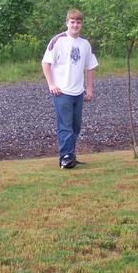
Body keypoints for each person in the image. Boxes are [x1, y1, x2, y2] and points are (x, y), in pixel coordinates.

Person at [42, 9, 98, 169]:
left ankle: (71, 155)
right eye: (72, 22)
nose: (75, 25)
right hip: (62, 92)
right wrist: (51, 84)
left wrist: (89, 88)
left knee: (75, 126)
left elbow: (90, 67)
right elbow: (46, 63)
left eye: (78, 22)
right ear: (67, 23)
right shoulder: (58, 41)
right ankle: (65, 157)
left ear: (82, 24)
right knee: (64, 125)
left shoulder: (85, 44)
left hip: (78, 92)